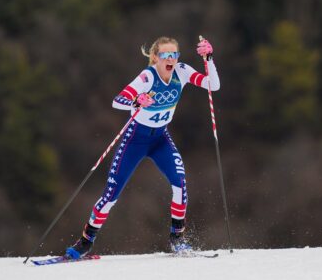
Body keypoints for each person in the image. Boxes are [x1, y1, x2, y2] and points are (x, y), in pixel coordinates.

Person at [65, 36, 220, 258]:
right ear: (155, 57)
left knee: (180, 184)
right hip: (135, 140)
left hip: (160, 139)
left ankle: (177, 239)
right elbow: (117, 100)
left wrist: (209, 59)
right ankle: (85, 242)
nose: (171, 60)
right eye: (166, 55)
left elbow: (212, 85)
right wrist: (137, 100)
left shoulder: (182, 71)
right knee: (111, 195)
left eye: (174, 55)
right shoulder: (147, 77)